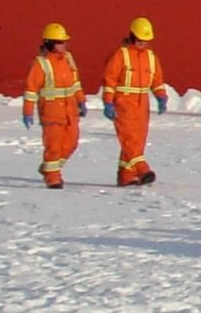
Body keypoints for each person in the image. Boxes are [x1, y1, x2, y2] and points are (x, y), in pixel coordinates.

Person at [100, 16, 174, 187]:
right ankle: (142, 169)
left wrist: (161, 96)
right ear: (132, 36)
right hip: (124, 102)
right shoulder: (120, 55)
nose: (143, 43)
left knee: (139, 140)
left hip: (142, 104)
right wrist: (108, 102)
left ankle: (126, 175)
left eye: (146, 40)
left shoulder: (150, 56)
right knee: (129, 138)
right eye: (140, 40)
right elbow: (109, 80)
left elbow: (156, 79)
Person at [22, 23, 88, 189]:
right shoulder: (41, 63)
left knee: (71, 143)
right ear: (50, 43)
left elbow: (75, 82)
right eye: (60, 42)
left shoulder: (68, 58)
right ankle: (53, 178)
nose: (64, 45)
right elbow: (31, 89)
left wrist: (81, 100)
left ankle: (48, 168)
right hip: (51, 113)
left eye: (65, 42)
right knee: (53, 146)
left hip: (70, 110)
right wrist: (28, 111)